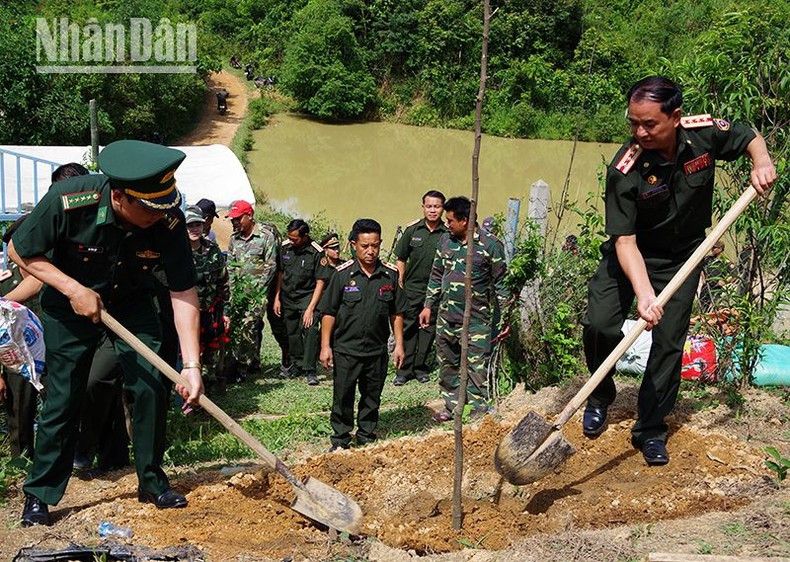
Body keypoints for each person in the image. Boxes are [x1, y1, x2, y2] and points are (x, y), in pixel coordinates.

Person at [581, 76, 776, 466]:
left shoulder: (701, 134)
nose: (640, 132)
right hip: (631, 254)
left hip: (683, 257)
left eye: (649, 124)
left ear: (675, 117)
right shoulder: (625, 168)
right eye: (633, 123)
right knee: (599, 324)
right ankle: (600, 393)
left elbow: (748, 134)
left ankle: (650, 429)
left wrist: (763, 160)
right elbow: (624, 242)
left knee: (669, 342)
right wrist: (645, 294)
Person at [9, 140, 204, 526]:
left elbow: (182, 289)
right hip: (69, 306)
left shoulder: (166, 218)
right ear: (118, 196)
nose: (156, 215)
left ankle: (151, 480)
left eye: (162, 206)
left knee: (150, 384)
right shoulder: (69, 199)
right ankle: (41, 493)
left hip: (132, 303)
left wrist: (193, 364)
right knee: (64, 397)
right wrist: (73, 289)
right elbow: (20, 250)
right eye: (147, 208)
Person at [419, 196, 508, 423]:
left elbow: (501, 285)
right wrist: (428, 305)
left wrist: (506, 318)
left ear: (465, 220)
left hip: (476, 320)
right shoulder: (445, 241)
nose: (447, 224)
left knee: (476, 367)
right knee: (448, 364)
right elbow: (436, 275)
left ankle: (478, 411)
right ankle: (451, 406)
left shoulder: (490, 245)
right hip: (446, 317)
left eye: (450, 220)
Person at [319, 219, 405, 450]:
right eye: (365, 246)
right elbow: (328, 312)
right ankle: (341, 439)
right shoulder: (342, 275)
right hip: (346, 349)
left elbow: (396, 313)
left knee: (372, 396)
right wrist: (325, 346)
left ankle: (366, 435)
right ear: (353, 245)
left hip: (376, 350)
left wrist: (399, 345)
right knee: (343, 396)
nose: (370, 251)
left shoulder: (389, 275)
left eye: (375, 245)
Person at [0, 216, 45, 461]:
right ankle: (22, 462)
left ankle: (63, 460)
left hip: (52, 355)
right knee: (19, 413)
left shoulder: (54, 277)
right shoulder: (5, 284)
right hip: (17, 360)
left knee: (63, 410)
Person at [392, 190, 447, 386]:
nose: (433, 210)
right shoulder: (412, 231)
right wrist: (400, 282)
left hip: (435, 292)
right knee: (408, 328)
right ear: (423, 207)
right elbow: (401, 258)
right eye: (429, 206)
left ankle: (420, 367)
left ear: (442, 209)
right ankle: (404, 370)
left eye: (437, 206)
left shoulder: (447, 234)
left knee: (427, 330)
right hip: (411, 290)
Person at [226, 200, 281, 379]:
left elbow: (270, 266)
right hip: (238, 292)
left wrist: (257, 291)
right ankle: (248, 361)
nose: (234, 222)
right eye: (232, 220)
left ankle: (244, 367)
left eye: (237, 219)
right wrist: (233, 290)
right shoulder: (234, 239)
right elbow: (231, 266)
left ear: (249, 216)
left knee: (249, 326)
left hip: (258, 293)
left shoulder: (265, 236)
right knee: (238, 327)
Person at [273, 219, 331, 386]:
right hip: (288, 297)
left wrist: (311, 308)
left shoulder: (316, 252)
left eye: (295, 239)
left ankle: (310, 369)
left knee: (311, 330)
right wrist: (277, 297)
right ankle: (297, 364)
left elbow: (320, 281)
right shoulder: (285, 247)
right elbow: (280, 273)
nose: (292, 241)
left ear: (305, 236)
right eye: (289, 237)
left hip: (307, 297)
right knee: (292, 332)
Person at [185, 206, 230, 393]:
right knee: (190, 354)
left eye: (198, 225)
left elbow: (223, 282)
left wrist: (226, 313)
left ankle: (209, 391)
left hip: (211, 312)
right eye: (190, 226)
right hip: (187, 315)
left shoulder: (213, 250)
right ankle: (188, 392)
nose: (194, 229)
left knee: (212, 354)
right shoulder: (178, 252)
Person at [698, 240, 735, 312]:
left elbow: (734, 274)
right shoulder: (707, 259)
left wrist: (725, 281)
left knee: (716, 306)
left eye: (714, 248)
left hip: (717, 287)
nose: (712, 249)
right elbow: (701, 267)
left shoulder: (725, 261)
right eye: (712, 247)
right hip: (707, 285)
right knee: (703, 304)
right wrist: (703, 278)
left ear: (720, 249)